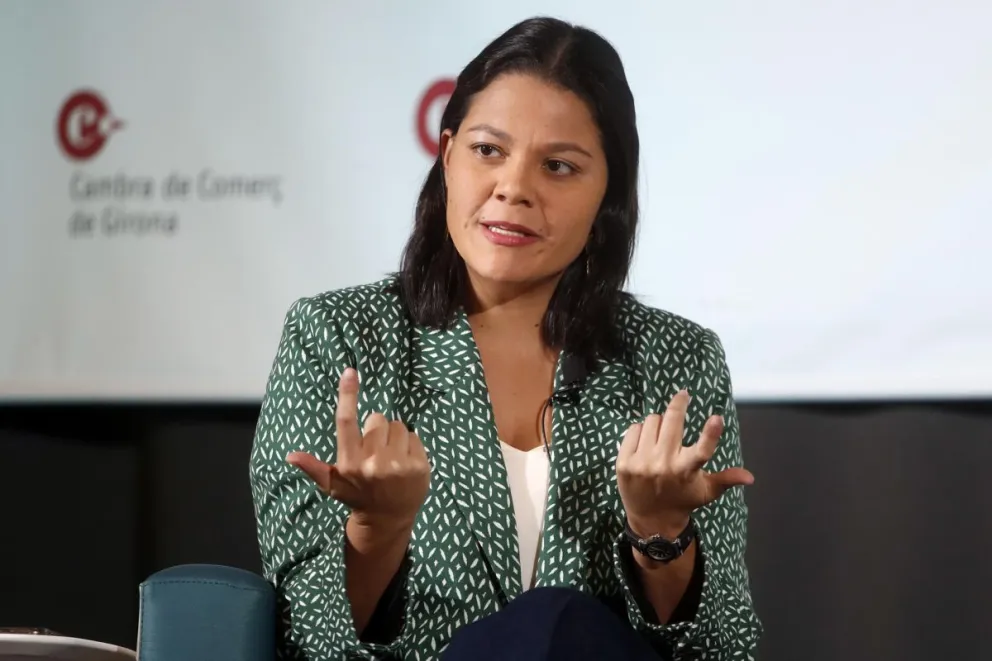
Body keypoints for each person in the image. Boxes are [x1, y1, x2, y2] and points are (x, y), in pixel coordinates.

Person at [249, 15, 761, 661]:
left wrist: (659, 532)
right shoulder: (339, 337)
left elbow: (723, 649)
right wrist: (377, 530)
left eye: (559, 166)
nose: (514, 188)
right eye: (488, 151)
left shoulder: (675, 361)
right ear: (446, 153)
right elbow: (302, 642)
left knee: (557, 623)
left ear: (608, 193)